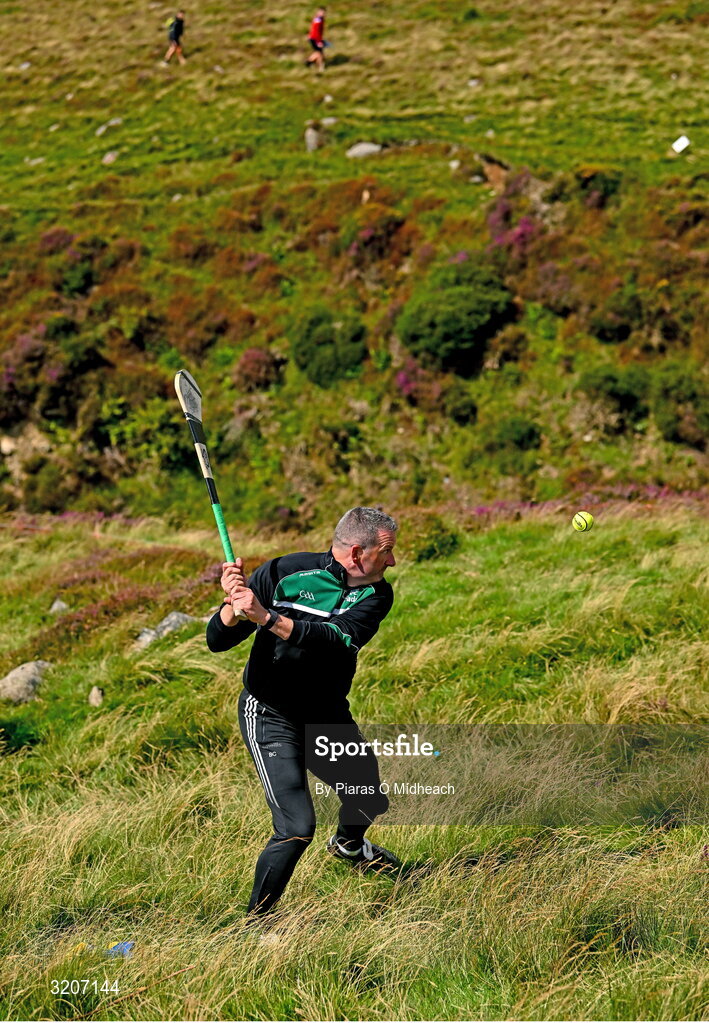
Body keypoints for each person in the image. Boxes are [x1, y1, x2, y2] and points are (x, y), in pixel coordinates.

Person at [206, 506, 401, 920]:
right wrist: (234, 606)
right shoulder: (282, 573)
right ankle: (256, 924)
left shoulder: (376, 593)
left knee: (368, 796)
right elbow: (217, 639)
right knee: (297, 827)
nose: (392, 560)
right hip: (270, 714)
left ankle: (349, 846)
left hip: (325, 713)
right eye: (386, 552)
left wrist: (267, 617)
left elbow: (336, 639)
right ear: (355, 552)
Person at [306, 6, 326, 72]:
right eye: (321, 12)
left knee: (319, 53)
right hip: (315, 38)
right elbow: (316, 31)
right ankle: (320, 67)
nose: (323, 14)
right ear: (318, 12)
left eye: (324, 12)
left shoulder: (320, 19)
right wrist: (319, 41)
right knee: (319, 53)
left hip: (315, 38)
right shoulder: (318, 19)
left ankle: (309, 62)